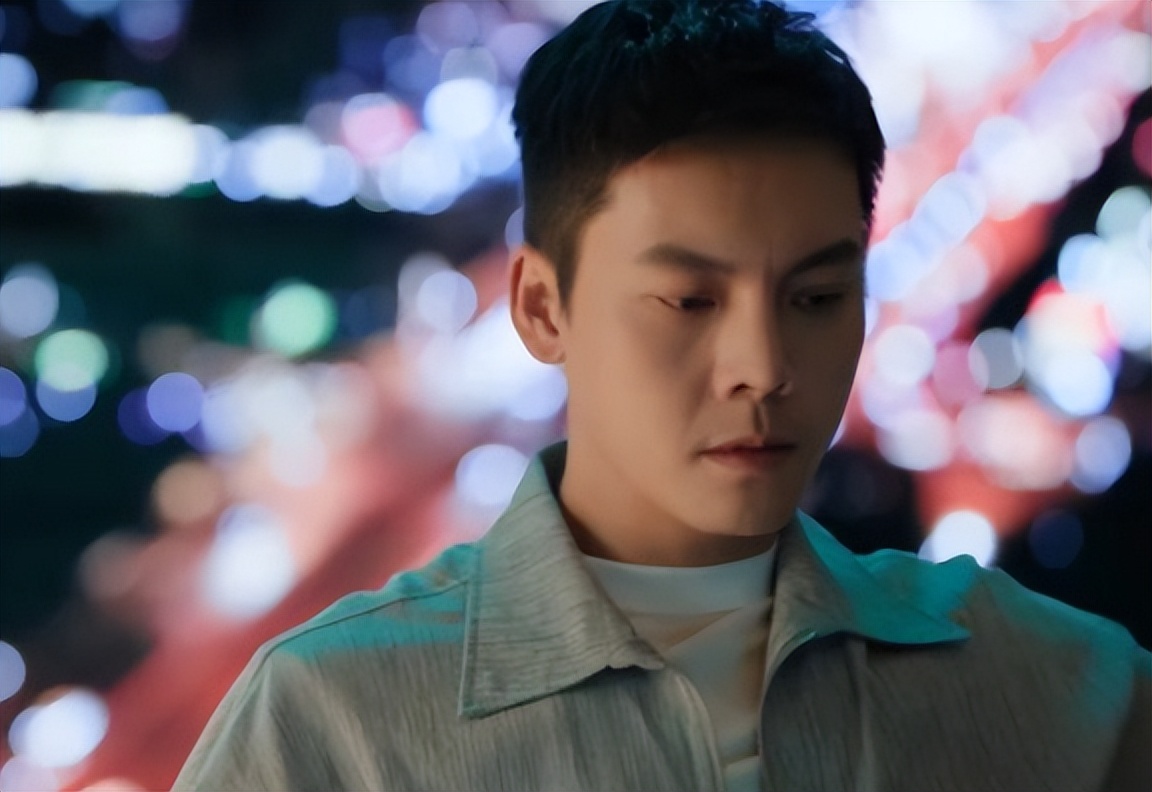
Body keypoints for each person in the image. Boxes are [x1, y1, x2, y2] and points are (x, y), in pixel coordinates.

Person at [173, 1, 1151, 790]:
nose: (762, 365)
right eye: (688, 301)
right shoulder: (328, 726)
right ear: (542, 308)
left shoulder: (1059, 695)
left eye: (816, 297)